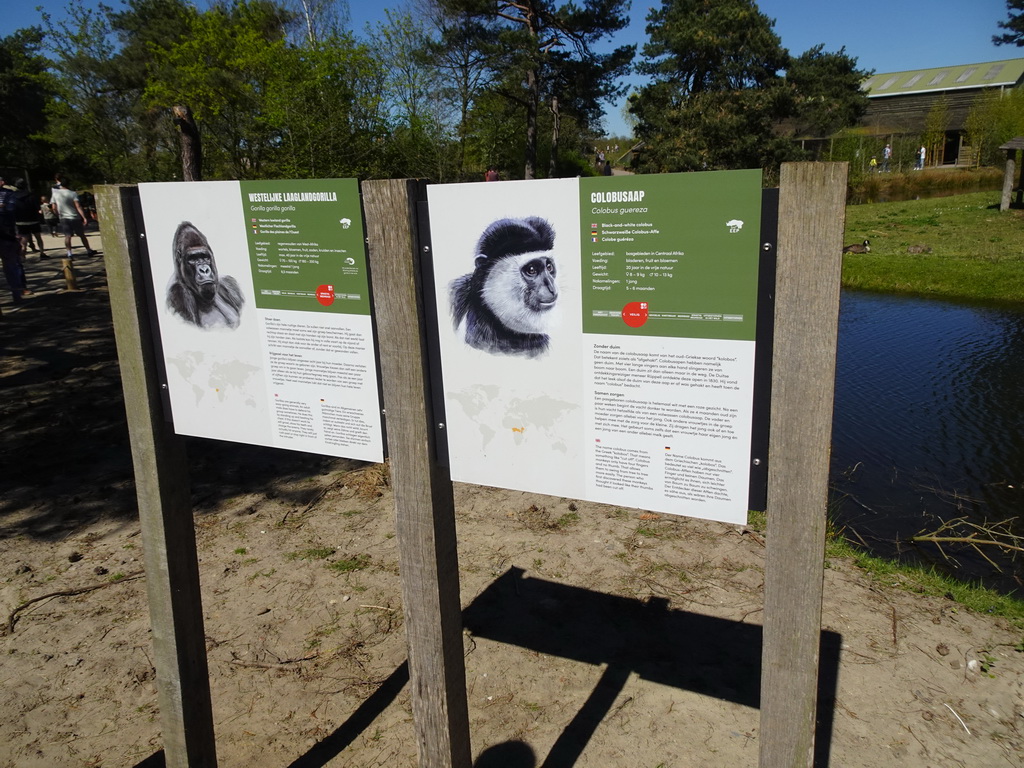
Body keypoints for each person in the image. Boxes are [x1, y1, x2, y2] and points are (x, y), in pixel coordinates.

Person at [50, 173, 97, 259]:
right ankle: (88, 250)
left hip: (63, 217)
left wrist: (58, 214)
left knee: (67, 236)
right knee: (81, 235)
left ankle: (69, 253)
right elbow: (78, 206)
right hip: (74, 216)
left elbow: (53, 207)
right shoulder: (72, 193)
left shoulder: (55, 194)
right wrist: (84, 217)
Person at [13, 179, 47, 259]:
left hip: (20, 220)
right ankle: (42, 252)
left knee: (24, 238)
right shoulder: (31, 195)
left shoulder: (13, 196)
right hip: (33, 219)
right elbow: (37, 207)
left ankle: (23, 253)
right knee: (38, 237)